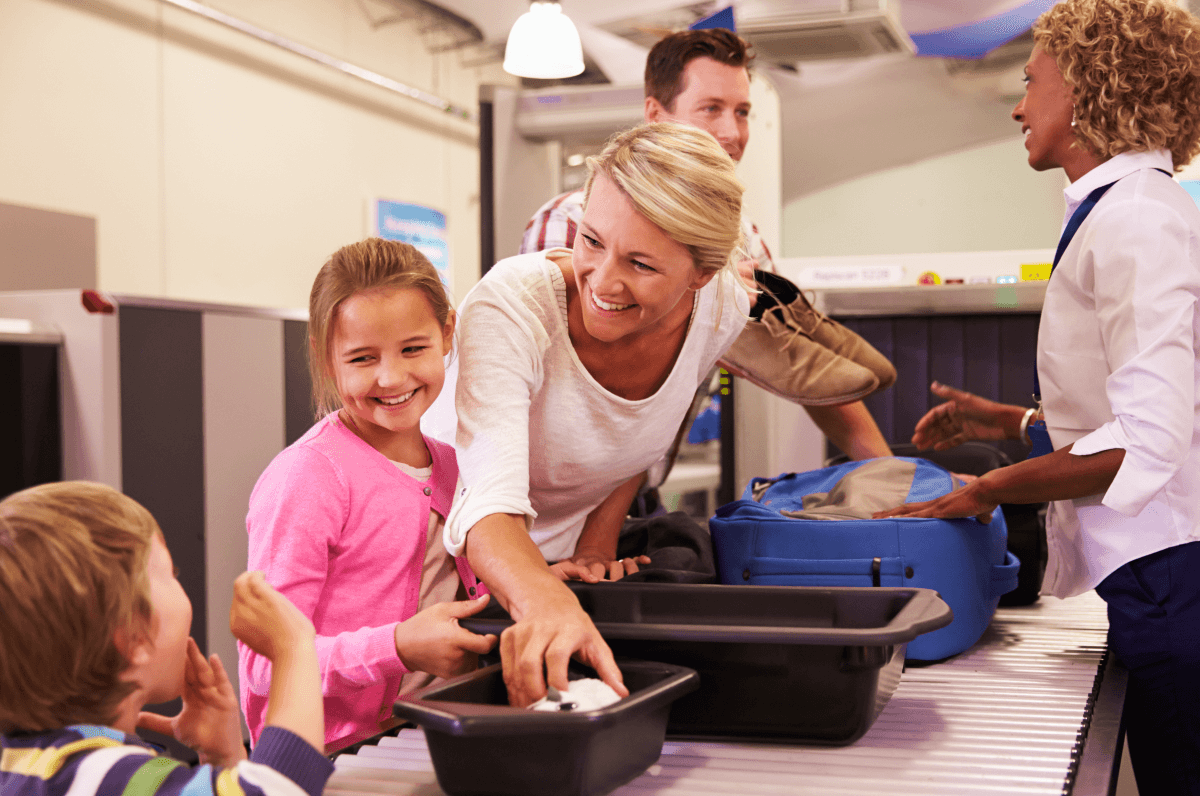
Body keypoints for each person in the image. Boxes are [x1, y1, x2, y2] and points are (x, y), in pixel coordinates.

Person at [876, 1, 1200, 796]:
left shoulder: (1137, 220)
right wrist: (1015, 423)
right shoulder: (1123, 210)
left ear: (1088, 88)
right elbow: (1143, 407)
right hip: (1161, 576)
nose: (1019, 107)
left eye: (1029, 82)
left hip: (1173, 578)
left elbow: (1146, 442)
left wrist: (990, 487)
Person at [446, 122, 749, 706]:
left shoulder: (721, 307)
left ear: (701, 275)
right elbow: (486, 507)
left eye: (641, 264)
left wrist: (596, 546)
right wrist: (545, 599)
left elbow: (637, 435)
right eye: (590, 240)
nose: (603, 282)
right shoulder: (513, 307)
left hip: (556, 579)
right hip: (444, 575)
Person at [522, 27, 894, 461]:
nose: (732, 132)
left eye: (742, 112)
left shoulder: (743, 237)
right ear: (656, 116)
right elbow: (562, 367)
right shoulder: (571, 219)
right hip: (551, 469)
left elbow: (807, 371)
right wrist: (706, 301)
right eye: (711, 109)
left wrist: (899, 476)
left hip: (641, 470)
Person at [238, 238, 498, 753]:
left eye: (413, 349)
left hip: (426, 738)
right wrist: (397, 647)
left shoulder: (453, 464)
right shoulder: (308, 477)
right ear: (325, 358)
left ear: (447, 333)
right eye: (362, 357)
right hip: (326, 759)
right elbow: (266, 664)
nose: (391, 377)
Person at [0, 481, 333, 796]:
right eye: (171, 573)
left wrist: (223, 759)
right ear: (134, 636)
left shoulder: (20, 768)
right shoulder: (105, 780)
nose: (179, 580)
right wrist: (294, 649)